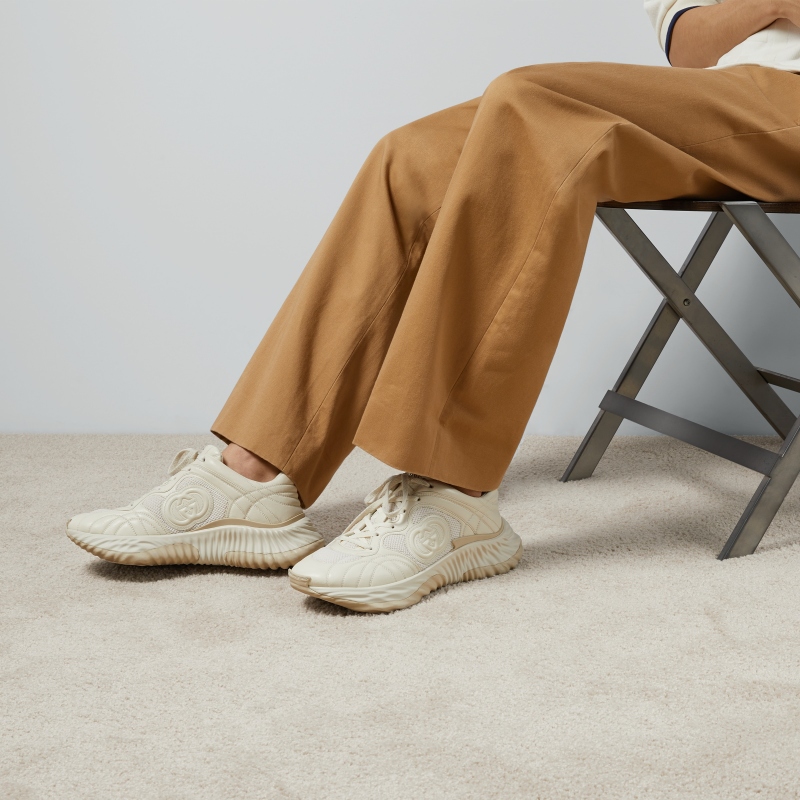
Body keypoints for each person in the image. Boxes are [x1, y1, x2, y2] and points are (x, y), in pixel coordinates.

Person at [67, 0, 800, 612]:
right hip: (731, 93)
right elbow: (688, 47)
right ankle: (255, 472)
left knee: (532, 103)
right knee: (413, 155)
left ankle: (454, 492)